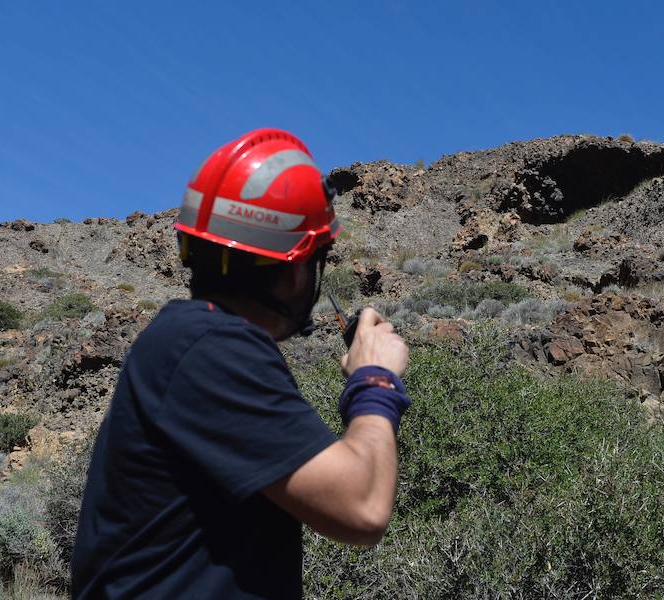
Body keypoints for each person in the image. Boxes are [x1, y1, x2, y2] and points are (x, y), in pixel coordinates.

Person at [71, 129, 412, 599]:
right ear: (296, 268)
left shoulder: (191, 341)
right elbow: (363, 506)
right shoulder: (212, 348)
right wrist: (376, 379)